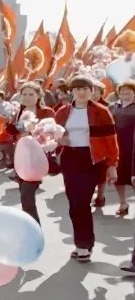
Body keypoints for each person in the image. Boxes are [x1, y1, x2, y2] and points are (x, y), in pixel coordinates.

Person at [55, 75, 119, 262]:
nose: (81, 92)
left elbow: (111, 141)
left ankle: (84, 245)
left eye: (85, 89)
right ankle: (80, 243)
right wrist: (60, 140)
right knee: (74, 204)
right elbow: (53, 134)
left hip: (92, 160)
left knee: (82, 202)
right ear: (71, 92)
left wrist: (112, 165)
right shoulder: (63, 112)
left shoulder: (101, 111)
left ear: (92, 91)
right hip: (70, 158)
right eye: (77, 89)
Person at [8, 82, 56, 223]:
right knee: (25, 196)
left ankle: (34, 228)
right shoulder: (17, 112)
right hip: (22, 156)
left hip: (39, 156)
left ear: (38, 96)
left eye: (31, 94)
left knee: (27, 196)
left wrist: (37, 130)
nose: (27, 97)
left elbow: (53, 132)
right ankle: (31, 227)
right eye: (24, 94)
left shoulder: (46, 112)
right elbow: (10, 131)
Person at [108, 80, 135, 216]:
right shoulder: (112, 107)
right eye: (122, 90)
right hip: (117, 147)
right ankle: (123, 202)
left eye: (128, 90)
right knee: (118, 177)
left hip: (133, 147)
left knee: (133, 177)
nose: (125, 92)